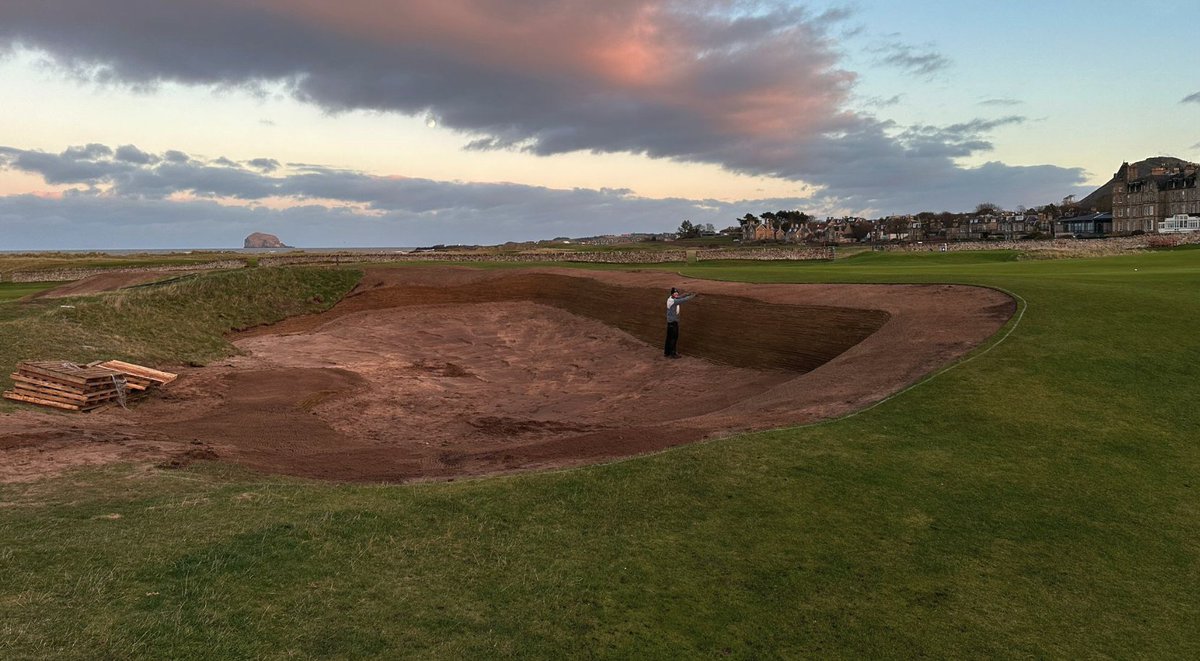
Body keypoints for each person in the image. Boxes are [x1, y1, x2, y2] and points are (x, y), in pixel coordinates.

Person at [664, 287, 697, 359]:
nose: (676, 294)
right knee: (674, 338)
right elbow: (683, 300)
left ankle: (667, 352)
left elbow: (680, 297)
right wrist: (692, 296)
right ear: (672, 294)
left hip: (670, 323)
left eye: (677, 293)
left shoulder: (670, 299)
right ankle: (673, 353)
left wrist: (687, 294)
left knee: (669, 338)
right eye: (675, 293)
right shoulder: (673, 301)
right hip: (673, 323)